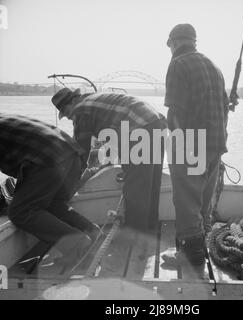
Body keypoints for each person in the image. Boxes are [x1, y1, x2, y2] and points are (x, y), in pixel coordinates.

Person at [52, 89, 166, 234]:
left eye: (65, 111)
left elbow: (80, 153)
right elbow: (105, 147)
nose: (68, 117)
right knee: (151, 184)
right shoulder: (94, 102)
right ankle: (150, 229)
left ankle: (134, 235)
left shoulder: (81, 110)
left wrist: (68, 185)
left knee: (135, 187)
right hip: (156, 123)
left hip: (138, 128)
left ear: (73, 101)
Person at [163, 24, 228, 266]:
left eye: (169, 44)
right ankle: (201, 244)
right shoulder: (214, 66)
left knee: (186, 199)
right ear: (194, 40)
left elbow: (176, 113)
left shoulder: (178, 64)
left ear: (173, 41)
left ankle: (192, 256)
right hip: (216, 143)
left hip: (192, 143)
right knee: (202, 198)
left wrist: (183, 147)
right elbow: (223, 106)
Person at [0, 113, 100, 266]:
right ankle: (92, 231)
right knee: (53, 203)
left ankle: (77, 244)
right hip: (71, 152)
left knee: (21, 211)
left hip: (46, 159)